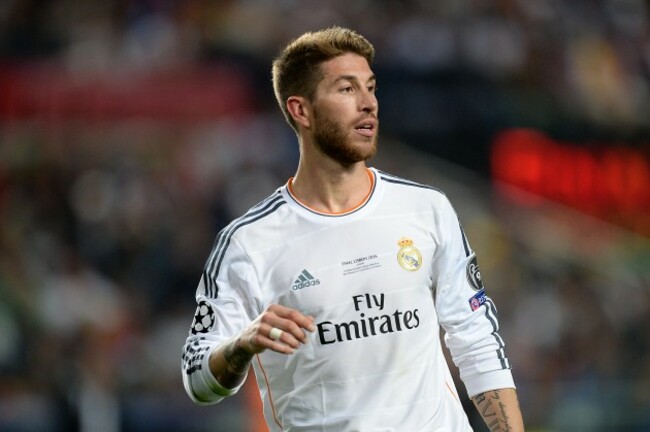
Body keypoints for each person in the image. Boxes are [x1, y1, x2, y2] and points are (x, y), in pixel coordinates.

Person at [182, 26, 524, 431]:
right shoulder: (249, 242)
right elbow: (197, 380)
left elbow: (477, 340)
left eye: (371, 88)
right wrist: (243, 345)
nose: (368, 103)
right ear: (301, 111)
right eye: (347, 89)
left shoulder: (426, 209)